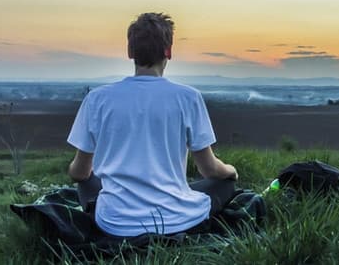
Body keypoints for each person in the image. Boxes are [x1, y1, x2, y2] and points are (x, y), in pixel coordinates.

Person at [66, 12, 238, 237]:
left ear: (130, 52)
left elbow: (79, 173)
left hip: (115, 223)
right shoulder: (188, 97)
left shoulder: (97, 99)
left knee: (86, 182)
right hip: (176, 220)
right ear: (168, 52)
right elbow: (209, 170)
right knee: (224, 184)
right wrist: (231, 171)